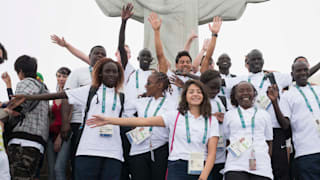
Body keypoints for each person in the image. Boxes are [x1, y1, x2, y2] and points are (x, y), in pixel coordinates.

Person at [11, 58, 125, 180]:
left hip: (113, 153)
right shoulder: (90, 90)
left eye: (115, 71)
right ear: (101, 73)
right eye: (108, 71)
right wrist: (29, 97)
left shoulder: (122, 97)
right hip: (88, 151)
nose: (112, 74)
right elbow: (60, 95)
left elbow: (134, 119)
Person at [87, 80, 219, 180]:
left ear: (203, 96)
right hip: (177, 166)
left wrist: (204, 176)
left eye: (199, 92)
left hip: (202, 167)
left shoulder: (211, 120)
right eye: (191, 92)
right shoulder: (175, 116)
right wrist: (110, 120)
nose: (195, 94)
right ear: (185, 96)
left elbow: (212, 153)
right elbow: (142, 121)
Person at [267, 61, 320, 179]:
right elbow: (285, 125)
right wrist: (275, 103)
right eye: (299, 71)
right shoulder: (288, 95)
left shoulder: (318, 90)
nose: (303, 73)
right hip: (306, 152)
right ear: (293, 74)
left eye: (305, 70)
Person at [123, 71, 173, 180]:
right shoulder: (142, 102)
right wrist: (134, 123)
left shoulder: (171, 104)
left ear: (159, 85)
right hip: (138, 149)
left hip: (159, 150)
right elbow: (125, 111)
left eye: (149, 83)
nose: (145, 86)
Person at [7, 55, 49, 180]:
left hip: (22, 141)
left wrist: (8, 108)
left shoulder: (25, 83)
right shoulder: (45, 91)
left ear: (20, 71)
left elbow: (17, 107)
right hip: (38, 144)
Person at [223, 81, 273, 180]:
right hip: (235, 165)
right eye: (241, 91)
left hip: (261, 166)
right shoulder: (229, 115)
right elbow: (227, 139)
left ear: (254, 94)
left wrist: (264, 158)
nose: (245, 93)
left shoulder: (264, 114)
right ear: (235, 96)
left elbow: (269, 141)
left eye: (248, 90)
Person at [200, 70, 230, 180]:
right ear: (202, 85)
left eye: (218, 88)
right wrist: (212, 117)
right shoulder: (196, 100)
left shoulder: (221, 100)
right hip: (202, 155)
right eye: (212, 87)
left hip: (220, 155)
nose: (216, 91)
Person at [46, 67, 71, 180]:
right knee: (51, 171)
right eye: (59, 76)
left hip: (64, 135)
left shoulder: (71, 94)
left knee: (59, 168)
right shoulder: (55, 95)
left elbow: (70, 117)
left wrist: (60, 137)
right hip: (51, 135)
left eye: (64, 76)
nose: (61, 79)